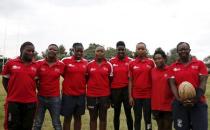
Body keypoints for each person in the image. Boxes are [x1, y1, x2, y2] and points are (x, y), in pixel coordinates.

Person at [169, 42, 208, 130]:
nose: (183, 51)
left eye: (185, 49)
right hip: (180, 103)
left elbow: (203, 82)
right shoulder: (172, 67)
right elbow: (172, 84)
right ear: (177, 52)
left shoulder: (199, 64)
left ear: (189, 50)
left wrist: (195, 99)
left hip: (198, 102)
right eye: (180, 49)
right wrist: (179, 99)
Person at [2, 41, 38, 130]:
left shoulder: (36, 65)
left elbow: (36, 82)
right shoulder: (11, 63)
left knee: (27, 126)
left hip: (31, 102)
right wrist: (12, 94)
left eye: (33, 51)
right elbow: (5, 80)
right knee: (13, 126)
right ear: (22, 50)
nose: (31, 53)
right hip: (14, 102)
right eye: (28, 51)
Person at [33, 44, 65, 130]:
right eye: (50, 49)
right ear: (47, 50)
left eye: (54, 50)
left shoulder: (61, 65)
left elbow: (68, 78)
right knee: (37, 123)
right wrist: (39, 89)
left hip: (55, 98)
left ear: (57, 53)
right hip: (40, 97)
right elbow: (35, 79)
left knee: (56, 123)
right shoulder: (39, 63)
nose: (52, 51)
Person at [61, 43, 88, 130]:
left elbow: (86, 77)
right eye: (77, 51)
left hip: (80, 95)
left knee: (78, 118)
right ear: (73, 50)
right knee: (67, 118)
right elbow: (61, 73)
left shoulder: (86, 62)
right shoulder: (65, 61)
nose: (79, 53)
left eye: (81, 51)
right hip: (68, 95)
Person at [128, 42, 154, 130]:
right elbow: (130, 81)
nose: (140, 50)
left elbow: (154, 79)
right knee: (137, 118)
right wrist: (130, 96)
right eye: (139, 49)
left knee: (148, 118)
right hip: (136, 96)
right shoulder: (132, 63)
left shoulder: (151, 62)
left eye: (142, 49)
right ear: (136, 50)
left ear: (145, 50)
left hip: (148, 95)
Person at [86, 45, 113, 130]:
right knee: (93, 118)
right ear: (95, 52)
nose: (100, 53)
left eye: (102, 51)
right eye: (98, 51)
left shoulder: (109, 65)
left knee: (103, 118)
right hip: (91, 96)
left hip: (104, 96)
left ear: (104, 53)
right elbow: (86, 78)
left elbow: (110, 80)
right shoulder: (89, 65)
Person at [109, 41, 133, 130]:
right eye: (119, 50)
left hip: (126, 90)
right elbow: (109, 79)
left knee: (128, 113)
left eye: (122, 50)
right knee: (116, 113)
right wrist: (110, 96)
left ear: (125, 49)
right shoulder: (111, 61)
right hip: (115, 91)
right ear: (116, 50)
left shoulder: (130, 61)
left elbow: (132, 78)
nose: (121, 51)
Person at [151, 48, 173, 130]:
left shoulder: (170, 70)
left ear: (164, 58)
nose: (157, 61)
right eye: (155, 59)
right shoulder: (152, 71)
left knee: (167, 127)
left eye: (159, 58)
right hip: (156, 105)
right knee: (160, 127)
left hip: (168, 105)